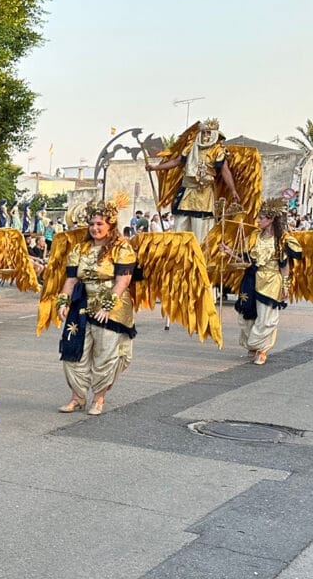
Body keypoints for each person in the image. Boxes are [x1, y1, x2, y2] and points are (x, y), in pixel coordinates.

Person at [55, 202, 136, 416]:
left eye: (99, 223)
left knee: (105, 355)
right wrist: (63, 302)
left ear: (110, 225)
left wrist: (108, 306)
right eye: (91, 223)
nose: (94, 228)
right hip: (82, 305)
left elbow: (123, 281)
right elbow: (71, 280)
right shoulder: (79, 249)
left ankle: (98, 399)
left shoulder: (122, 247)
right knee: (73, 352)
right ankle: (77, 398)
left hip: (113, 306)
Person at [224, 202, 302, 365]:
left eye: (261, 218)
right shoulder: (254, 237)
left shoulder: (282, 240)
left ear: (271, 219)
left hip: (272, 280)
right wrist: (230, 252)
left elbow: (285, 266)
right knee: (246, 316)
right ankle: (252, 346)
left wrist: (286, 285)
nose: (257, 221)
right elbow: (247, 260)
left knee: (266, 317)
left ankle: (262, 350)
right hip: (251, 278)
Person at [146, 118, 239, 243]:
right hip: (187, 191)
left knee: (201, 231)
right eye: (203, 132)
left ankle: (200, 258)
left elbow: (225, 170)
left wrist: (233, 190)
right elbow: (176, 162)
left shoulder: (218, 150)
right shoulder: (190, 148)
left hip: (204, 195)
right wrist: (155, 167)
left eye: (208, 133)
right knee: (180, 228)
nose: (206, 135)